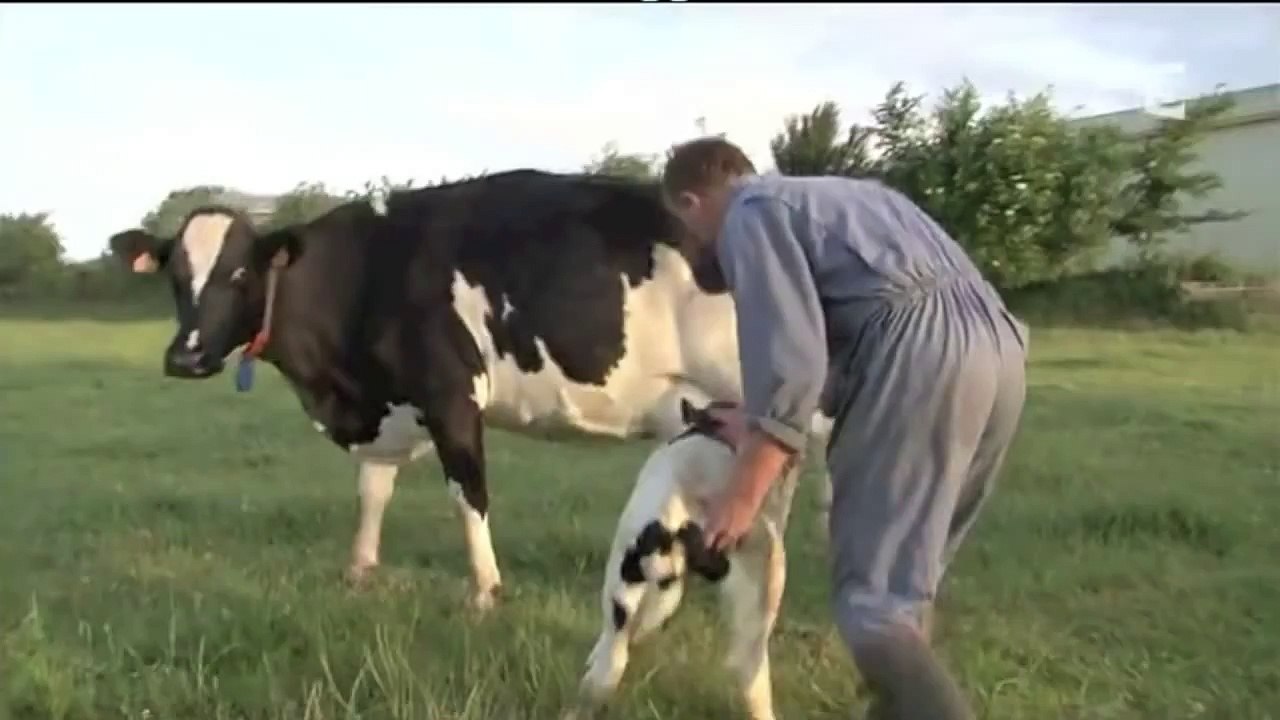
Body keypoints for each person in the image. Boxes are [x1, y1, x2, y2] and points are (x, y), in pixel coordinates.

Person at [659, 136, 1029, 720]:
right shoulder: (851, 197)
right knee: (906, 589)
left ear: (690, 202)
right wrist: (757, 416)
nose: (696, 249)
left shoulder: (749, 214)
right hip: (999, 349)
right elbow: (857, 336)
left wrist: (740, 497)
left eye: (688, 233)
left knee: (874, 605)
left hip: (921, 356)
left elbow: (793, 365)